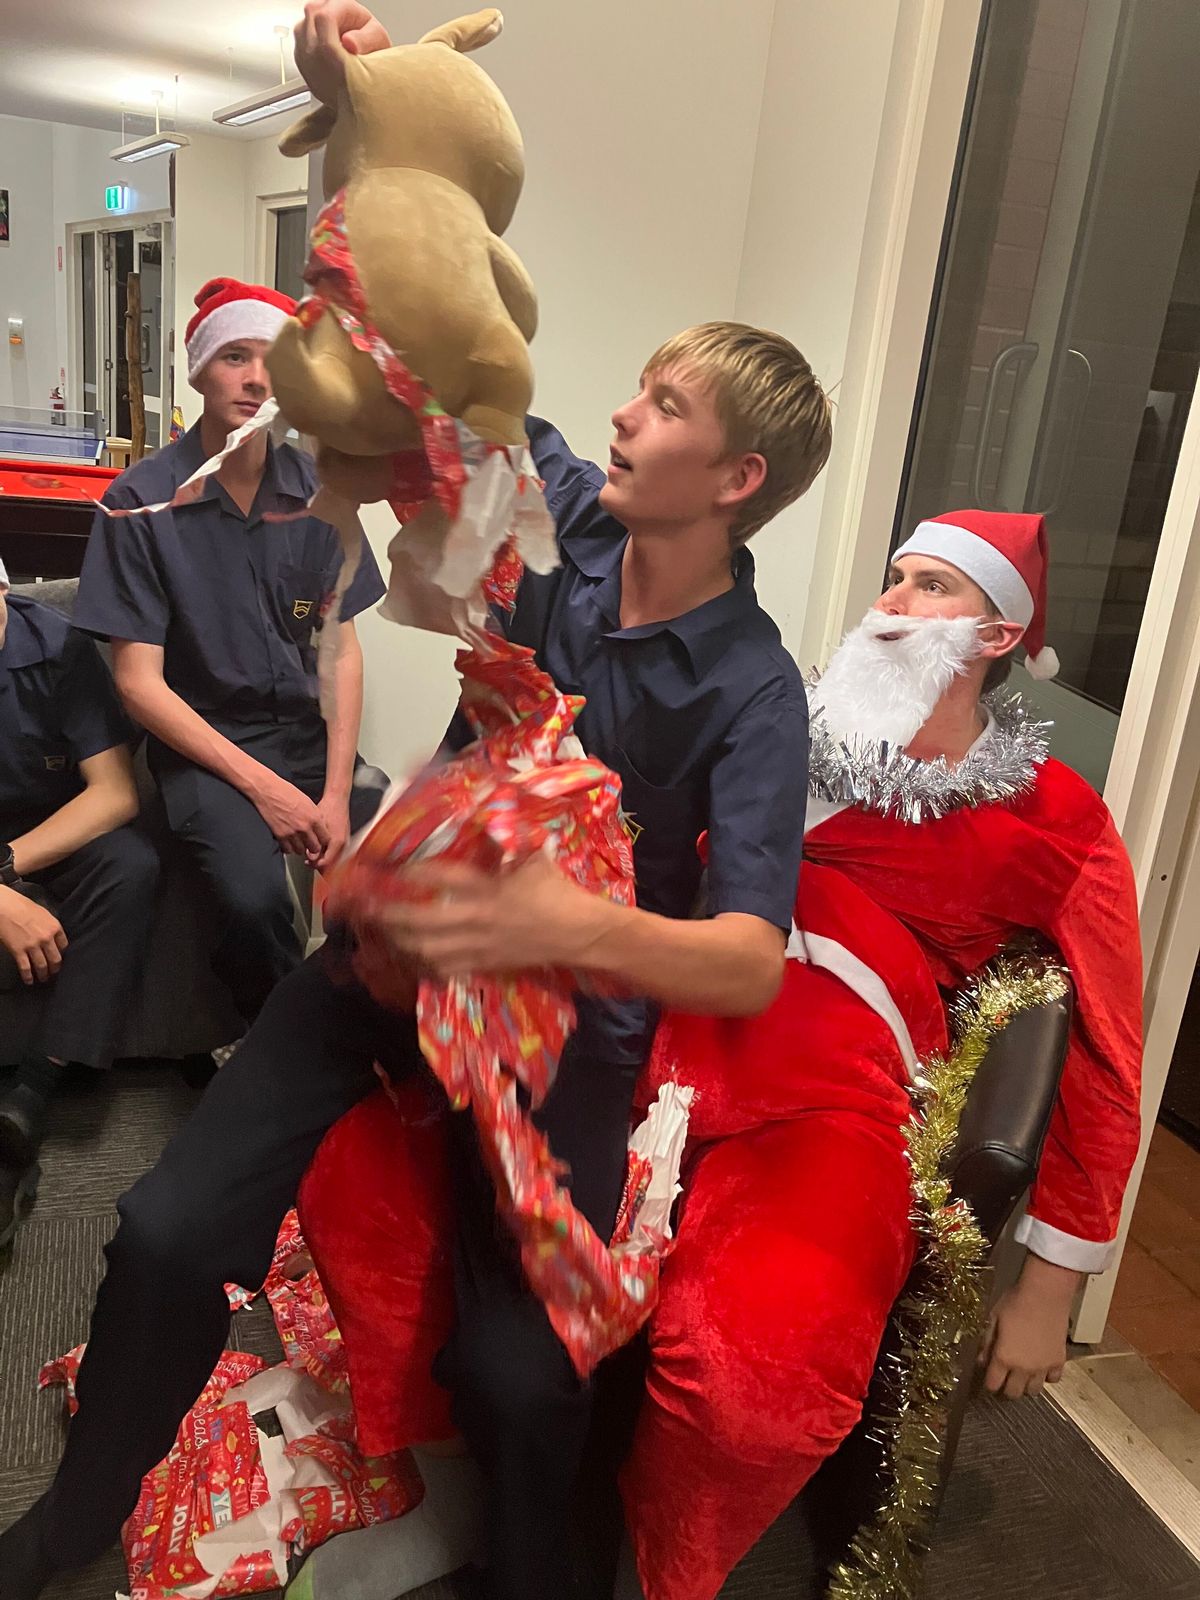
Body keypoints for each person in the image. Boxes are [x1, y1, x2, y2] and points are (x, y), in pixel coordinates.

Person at [0, 289, 834, 1600]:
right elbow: (435, 384)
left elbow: (746, 957)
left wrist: (570, 925)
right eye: (639, 385)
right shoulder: (564, 519)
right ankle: (74, 1518)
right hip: (398, 956)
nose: (624, 413)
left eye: (667, 405)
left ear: (738, 480)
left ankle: (533, 1572)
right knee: (166, 1228)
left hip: (555, 1029)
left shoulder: (754, 689)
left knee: (519, 1371)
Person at [290, 510, 1143, 1600]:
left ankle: (663, 1566)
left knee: (762, 1366)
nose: (891, 603)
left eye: (934, 587)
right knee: (363, 1171)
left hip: (822, 1100)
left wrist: (1050, 1287)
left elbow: (1109, 1049)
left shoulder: (1055, 815)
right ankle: (460, 1492)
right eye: (894, 576)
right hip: (632, 1017)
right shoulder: (772, 709)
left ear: (999, 635)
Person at [72, 277, 388, 1028]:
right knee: (254, 900)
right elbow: (139, 685)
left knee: (403, 865)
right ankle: (274, 1046)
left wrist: (334, 794)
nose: (256, 379)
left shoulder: (320, 492)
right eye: (235, 357)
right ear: (200, 374)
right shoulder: (138, 503)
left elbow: (340, 651)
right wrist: (267, 791)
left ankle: (365, 1034)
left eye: (275, 360)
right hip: (209, 745)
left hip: (303, 734)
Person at [0, 558, 159, 1246]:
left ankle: (34, 1092)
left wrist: (5, 868)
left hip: (45, 831)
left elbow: (115, 793)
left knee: (131, 865)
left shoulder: (59, 646)